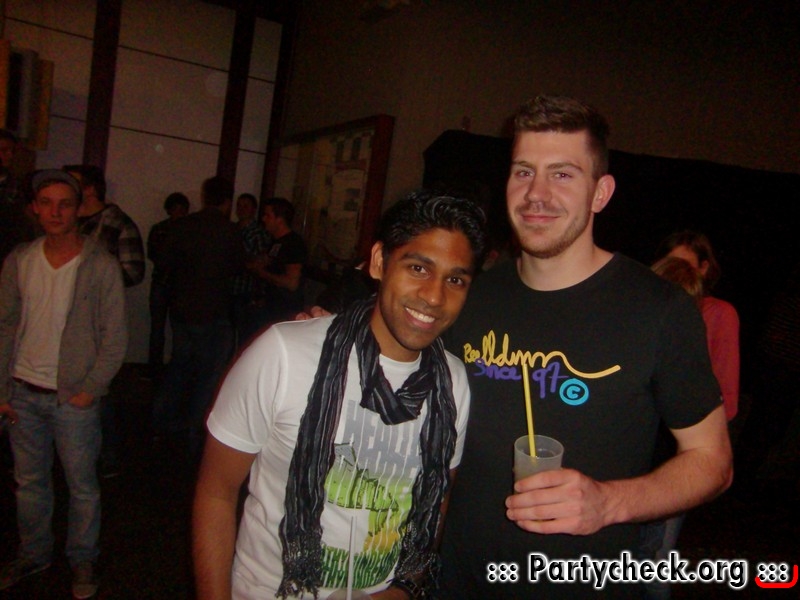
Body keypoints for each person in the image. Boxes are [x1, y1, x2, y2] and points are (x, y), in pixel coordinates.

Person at [437, 95, 732, 599]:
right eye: (524, 171)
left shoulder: (658, 310)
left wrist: (608, 502)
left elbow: (713, 462)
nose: (537, 193)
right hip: (459, 581)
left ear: (601, 192)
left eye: (563, 174)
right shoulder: (472, 297)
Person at [192, 191, 487, 599]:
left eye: (455, 280)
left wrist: (402, 590)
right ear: (379, 262)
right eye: (418, 267)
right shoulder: (284, 354)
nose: (435, 296)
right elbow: (216, 493)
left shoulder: (453, 382)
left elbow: (437, 503)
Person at [0, 170, 127, 598]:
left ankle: (82, 559)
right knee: (29, 483)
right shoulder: (20, 259)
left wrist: (90, 388)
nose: (55, 212)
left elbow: (115, 337)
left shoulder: (99, 265)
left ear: (78, 210)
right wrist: (2, 389)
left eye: (64, 204)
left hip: (72, 397)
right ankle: (34, 554)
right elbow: (4, 325)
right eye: (46, 203)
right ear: (34, 209)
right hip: (22, 390)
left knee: (82, 486)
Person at [152, 175, 243, 460]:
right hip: (213, 309)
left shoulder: (182, 226)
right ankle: (195, 431)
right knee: (208, 375)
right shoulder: (229, 231)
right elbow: (238, 268)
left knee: (179, 365)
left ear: (204, 197)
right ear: (227, 201)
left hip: (182, 308)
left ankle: (160, 421)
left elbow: (164, 263)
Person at [658, 230, 741, 421]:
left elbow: (726, 394)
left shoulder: (719, 313)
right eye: (671, 265)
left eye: (684, 266)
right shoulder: (648, 304)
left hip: (685, 421)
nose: (676, 274)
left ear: (703, 268)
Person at [64, 164, 145, 288]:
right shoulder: (65, 219)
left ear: (90, 189)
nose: (65, 188)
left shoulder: (119, 224)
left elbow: (133, 273)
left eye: (72, 183)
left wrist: (90, 277)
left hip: (95, 298)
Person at [146, 192, 190, 376]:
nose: (178, 213)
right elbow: (154, 255)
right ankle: (155, 368)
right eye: (175, 209)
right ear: (169, 210)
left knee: (180, 329)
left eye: (182, 209)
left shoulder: (191, 230)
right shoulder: (160, 229)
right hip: (163, 282)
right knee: (157, 328)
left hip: (181, 286)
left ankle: (176, 369)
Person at [247, 197, 308, 329]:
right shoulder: (276, 242)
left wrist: (262, 273)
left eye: (268, 215)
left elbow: (292, 283)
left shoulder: (293, 244)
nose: (263, 219)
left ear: (279, 219)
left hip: (283, 312)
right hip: (269, 308)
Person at [231, 193, 271, 346]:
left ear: (254, 209)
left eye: (245, 206)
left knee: (244, 336)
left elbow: (261, 262)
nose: (241, 209)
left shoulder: (257, 233)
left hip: (246, 291)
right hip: (231, 288)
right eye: (239, 206)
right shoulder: (233, 229)